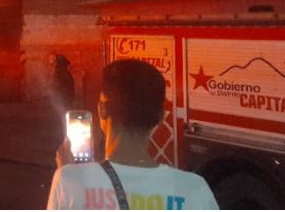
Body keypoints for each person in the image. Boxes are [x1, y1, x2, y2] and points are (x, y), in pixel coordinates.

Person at [48, 59, 218, 210]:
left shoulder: (69, 180)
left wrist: (71, 178)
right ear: (160, 117)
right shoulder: (194, 190)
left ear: (102, 109)